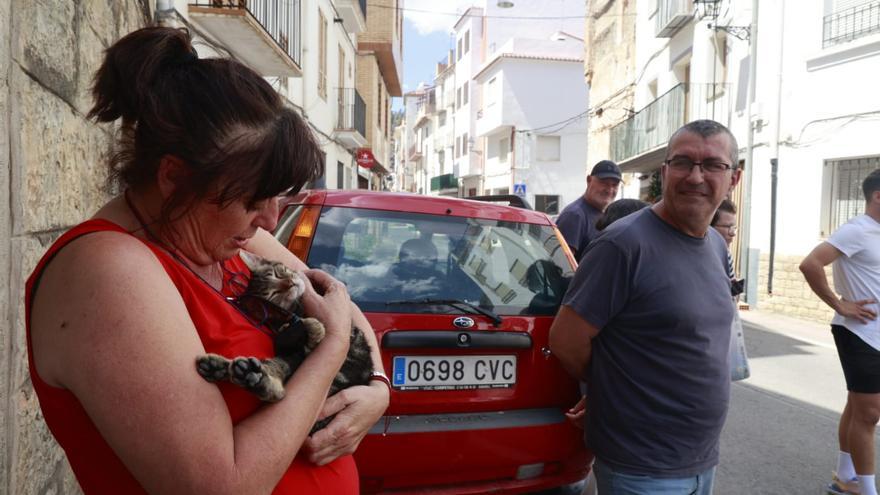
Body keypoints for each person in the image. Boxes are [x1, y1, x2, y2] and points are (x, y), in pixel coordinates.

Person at [25, 27, 389, 494]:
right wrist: (333, 349)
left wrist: (377, 386)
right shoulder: (108, 271)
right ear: (175, 177)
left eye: (278, 196)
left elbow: (343, 305)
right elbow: (221, 486)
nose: (270, 219)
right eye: (253, 199)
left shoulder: (228, 237)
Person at [550, 119, 741, 494]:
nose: (695, 177)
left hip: (701, 458)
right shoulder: (622, 246)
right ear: (665, 171)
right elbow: (566, 340)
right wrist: (610, 390)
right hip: (641, 468)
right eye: (683, 163)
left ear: (733, 178)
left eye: (712, 165)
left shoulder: (715, 246)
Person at [800, 169, 880, 495]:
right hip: (859, 333)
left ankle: (845, 478)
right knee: (871, 413)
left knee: (858, 406)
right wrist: (838, 303)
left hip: (875, 334)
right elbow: (811, 263)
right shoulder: (857, 230)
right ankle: (867, 490)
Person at [556, 160, 622, 261]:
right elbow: (562, 265)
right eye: (604, 183)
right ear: (589, 180)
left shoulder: (603, 214)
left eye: (614, 185)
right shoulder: (575, 215)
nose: (609, 190)